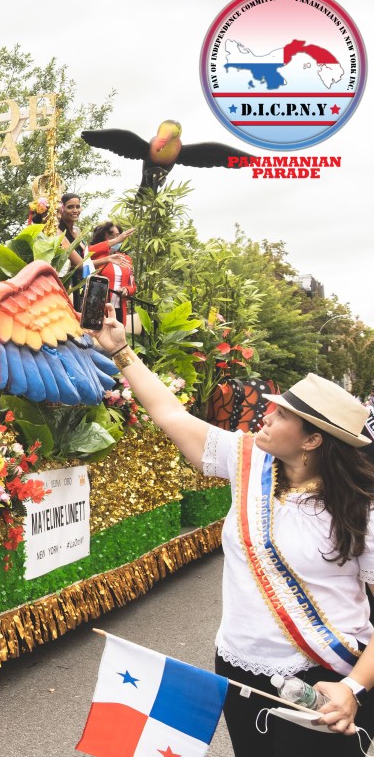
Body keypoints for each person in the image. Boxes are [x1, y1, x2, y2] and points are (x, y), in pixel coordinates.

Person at [92, 307, 374, 755]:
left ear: (312, 439)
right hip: (240, 667)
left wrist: (353, 687)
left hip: (326, 676)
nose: (265, 415)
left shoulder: (361, 509)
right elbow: (170, 415)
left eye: (281, 415)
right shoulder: (248, 461)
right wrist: (122, 351)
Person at [88, 221, 136, 322]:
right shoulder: (96, 256)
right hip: (98, 307)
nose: (117, 239)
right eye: (111, 235)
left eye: (118, 235)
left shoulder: (126, 258)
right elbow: (87, 252)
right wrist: (115, 241)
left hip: (119, 308)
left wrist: (126, 290)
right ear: (102, 237)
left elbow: (132, 286)